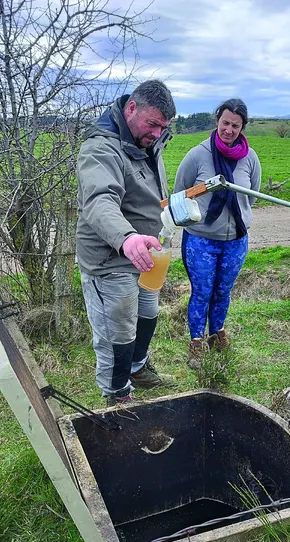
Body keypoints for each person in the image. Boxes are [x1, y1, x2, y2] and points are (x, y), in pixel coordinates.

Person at [76, 80, 176, 405]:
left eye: (164, 127)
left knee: (148, 312)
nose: (158, 133)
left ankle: (138, 367)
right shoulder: (100, 149)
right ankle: (117, 394)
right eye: (153, 124)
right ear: (131, 109)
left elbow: (150, 193)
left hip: (146, 252)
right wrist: (127, 237)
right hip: (112, 258)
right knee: (117, 333)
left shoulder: (147, 141)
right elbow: (99, 201)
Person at [174, 98, 261, 368]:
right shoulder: (198, 155)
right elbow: (181, 191)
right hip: (201, 239)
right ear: (217, 121)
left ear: (242, 127)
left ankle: (216, 333)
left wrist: (237, 218)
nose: (229, 129)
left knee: (223, 291)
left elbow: (251, 196)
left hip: (235, 240)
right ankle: (196, 343)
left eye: (236, 125)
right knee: (201, 291)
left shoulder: (250, 158)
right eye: (225, 123)